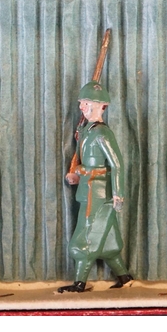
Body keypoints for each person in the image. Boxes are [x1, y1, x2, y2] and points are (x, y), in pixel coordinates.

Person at [59, 81, 133, 293]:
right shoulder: (87, 131)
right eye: (82, 102)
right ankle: (124, 277)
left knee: (84, 239)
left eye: (88, 102)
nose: (82, 107)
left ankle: (79, 283)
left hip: (100, 196)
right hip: (89, 191)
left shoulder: (102, 133)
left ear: (102, 106)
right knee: (109, 243)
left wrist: (118, 193)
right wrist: (78, 175)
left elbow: (117, 164)